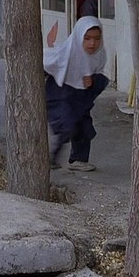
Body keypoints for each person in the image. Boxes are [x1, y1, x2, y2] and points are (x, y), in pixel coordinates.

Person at [44, 16, 109, 172]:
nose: (92, 43)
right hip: (61, 93)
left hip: (81, 97)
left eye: (97, 39)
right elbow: (47, 62)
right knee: (66, 125)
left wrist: (92, 79)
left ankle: (79, 159)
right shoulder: (67, 53)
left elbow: (99, 74)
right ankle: (51, 156)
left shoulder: (99, 55)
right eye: (87, 38)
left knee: (83, 127)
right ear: (79, 36)